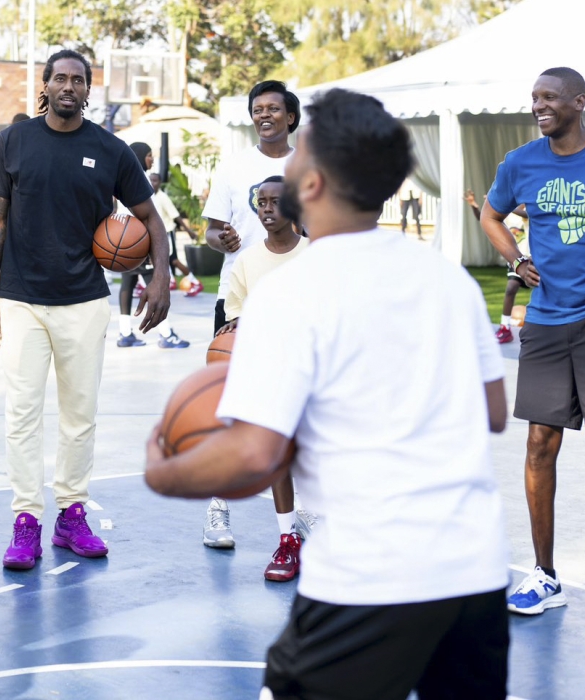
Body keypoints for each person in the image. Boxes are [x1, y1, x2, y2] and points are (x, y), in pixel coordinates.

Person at [146, 88, 511, 700]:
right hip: (473, 571)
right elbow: (493, 413)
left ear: (313, 182)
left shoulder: (293, 293)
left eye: (298, 156)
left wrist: (163, 470)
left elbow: (253, 456)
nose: (285, 166)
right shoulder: (446, 279)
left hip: (368, 577)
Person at [0, 49, 170, 571]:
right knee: (22, 414)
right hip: (20, 299)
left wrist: (160, 275)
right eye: (59, 78)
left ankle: (70, 512)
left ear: (89, 89)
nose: (68, 86)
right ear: (45, 86)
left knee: (79, 417)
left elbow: (150, 218)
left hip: (84, 300)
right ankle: (26, 520)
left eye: (78, 80)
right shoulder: (15, 140)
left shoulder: (111, 150)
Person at [480, 67, 585, 622]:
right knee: (538, 446)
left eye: (550, 97)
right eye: (534, 98)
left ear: (580, 102)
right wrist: (516, 259)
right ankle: (545, 574)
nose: (539, 106)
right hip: (547, 323)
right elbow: (490, 214)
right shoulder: (520, 163)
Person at [200, 79, 299, 545]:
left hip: (298, 302)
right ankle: (219, 507)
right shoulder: (236, 166)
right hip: (240, 299)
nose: (265, 115)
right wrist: (224, 240)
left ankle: (302, 515)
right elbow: (211, 232)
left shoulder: (309, 167)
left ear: (290, 117)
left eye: (274, 108)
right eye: (258, 108)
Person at [211, 175, 314, 579]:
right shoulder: (248, 260)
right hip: (270, 368)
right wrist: (232, 332)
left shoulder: (315, 255)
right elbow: (235, 311)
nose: (267, 208)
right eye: (262, 202)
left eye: (276, 201)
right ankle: (288, 538)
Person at [117, 143, 189, 349]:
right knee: (156, 286)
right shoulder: (139, 177)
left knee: (127, 285)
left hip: (122, 241)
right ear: (139, 156)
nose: (152, 160)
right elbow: (145, 216)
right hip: (138, 241)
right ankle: (166, 334)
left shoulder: (122, 174)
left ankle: (125, 333)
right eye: (149, 155)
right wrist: (148, 247)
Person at [466, 190, 528, 343]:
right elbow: (486, 219)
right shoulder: (508, 215)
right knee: (511, 288)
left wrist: (504, 206)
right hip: (517, 259)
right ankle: (505, 328)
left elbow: (527, 215)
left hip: (532, 259)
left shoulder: (527, 210)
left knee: (542, 292)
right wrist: (476, 206)